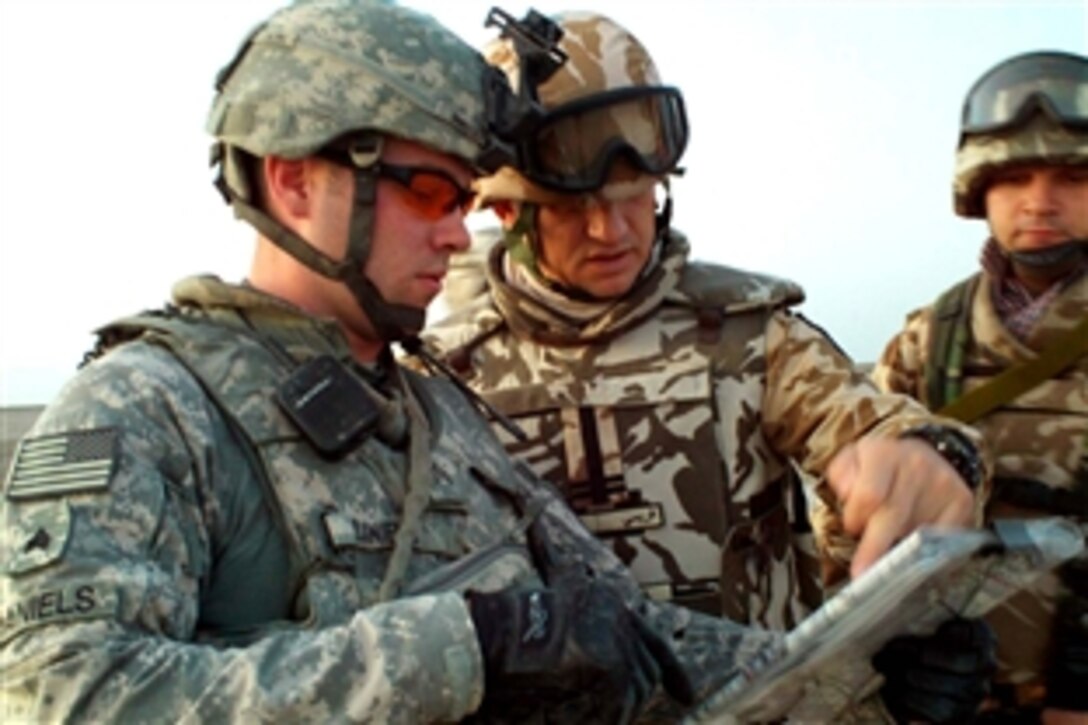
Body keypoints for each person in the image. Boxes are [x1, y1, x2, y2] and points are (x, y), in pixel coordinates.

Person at [0, 1, 993, 722]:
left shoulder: (437, 410)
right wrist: (457, 648)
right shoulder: (150, 407)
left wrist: (855, 670)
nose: (459, 231)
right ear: (293, 177)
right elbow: (57, 689)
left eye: (467, 195)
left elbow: (623, 631)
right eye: (430, 191)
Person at [422, 9, 989, 634]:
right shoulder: (444, 375)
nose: (609, 231)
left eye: (633, 195)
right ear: (507, 213)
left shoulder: (747, 337)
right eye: (570, 207)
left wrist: (928, 458)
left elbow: (858, 420)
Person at [872, 50, 1088, 721]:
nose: (1039, 201)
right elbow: (856, 523)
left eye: (1072, 176)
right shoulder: (928, 342)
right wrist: (893, 651)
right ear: (979, 189)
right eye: (1016, 175)